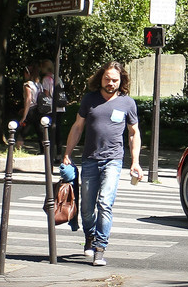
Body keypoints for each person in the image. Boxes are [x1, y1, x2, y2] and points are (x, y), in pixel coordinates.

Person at [62, 61, 143, 267]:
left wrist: (135, 162)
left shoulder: (127, 103)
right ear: (101, 78)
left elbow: (133, 133)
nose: (110, 83)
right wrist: (67, 154)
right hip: (90, 159)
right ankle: (89, 235)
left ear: (121, 80)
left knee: (105, 203)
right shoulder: (90, 99)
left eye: (115, 80)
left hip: (113, 160)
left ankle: (100, 247)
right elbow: (78, 127)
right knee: (87, 209)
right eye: (107, 78)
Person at [40, 59, 66, 164]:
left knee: (49, 131)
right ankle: (59, 154)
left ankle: (49, 153)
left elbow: (46, 94)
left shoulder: (46, 79)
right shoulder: (57, 78)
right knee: (58, 131)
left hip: (51, 107)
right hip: (61, 107)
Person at [17, 64, 41, 149]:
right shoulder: (38, 85)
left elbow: (28, 99)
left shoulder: (28, 85)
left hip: (30, 110)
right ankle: (43, 149)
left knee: (22, 130)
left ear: (27, 73)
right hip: (38, 109)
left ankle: (18, 148)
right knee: (39, 131)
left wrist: (24, 115)